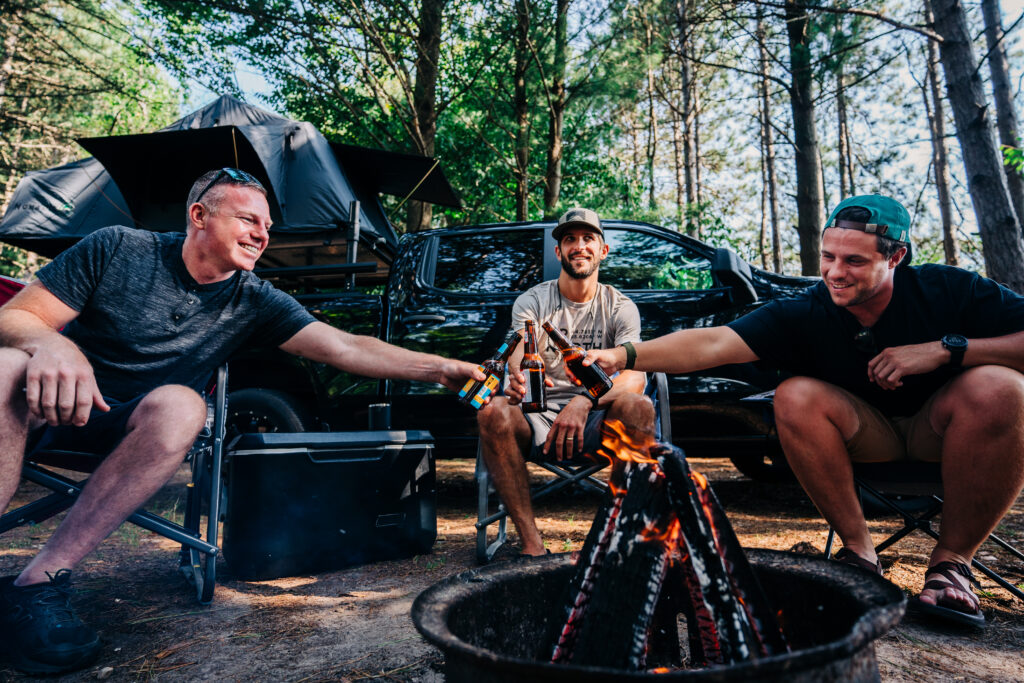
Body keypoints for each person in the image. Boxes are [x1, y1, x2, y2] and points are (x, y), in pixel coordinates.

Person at [0, 168, 484, 674]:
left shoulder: (253, 299)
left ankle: (41, 582)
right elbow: (14, 318)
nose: (262, 234)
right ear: (199, 216)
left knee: (185, 404)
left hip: (133, 432)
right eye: (248, 219)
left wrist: (441, 367)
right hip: (48, 405)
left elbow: (343, 346)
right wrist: (53, 343)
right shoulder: (118, 248)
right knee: (8, 363)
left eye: (267, 226)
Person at [586, 194, 1024, 628]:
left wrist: (947, 350)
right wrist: (623, 355)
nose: (835, 272)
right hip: (866, 436)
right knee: (793, 393)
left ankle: (952, 566)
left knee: (1001, 385)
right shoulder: (807, 310)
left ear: (896, 258)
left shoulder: (951, 290)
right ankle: (860, 555)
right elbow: (715, 342)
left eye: (853, 261)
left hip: (946, 431)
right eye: (828, 257)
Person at [477, 207, 654, 558]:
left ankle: (621, 541)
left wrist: (585, 400)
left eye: (588, 238)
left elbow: (636, 374)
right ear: (558, 252)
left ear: (603, 250)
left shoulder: (620, 307)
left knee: (638, 405)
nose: (579, 246)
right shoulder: (533, 300)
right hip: (538, 415)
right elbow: (518, 352)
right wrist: (515, 378)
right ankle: (532, 545)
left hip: (598, 417)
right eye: (570, 239)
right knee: (492, 411)